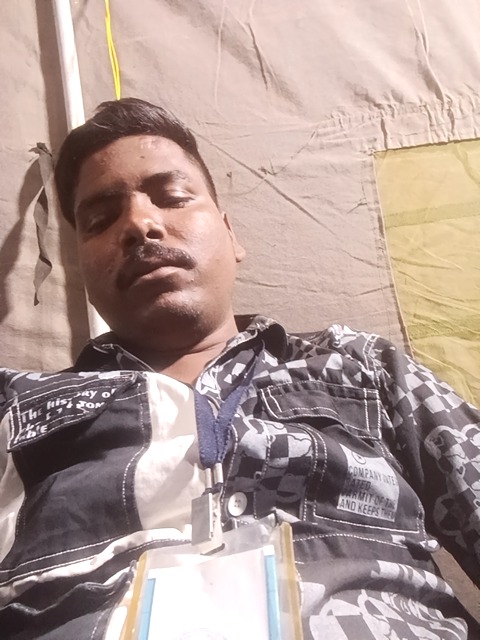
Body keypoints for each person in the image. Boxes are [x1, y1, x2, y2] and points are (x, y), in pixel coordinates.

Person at [0, 97, 479, 640]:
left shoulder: (360, 367)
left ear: (231, 235)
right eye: (99, 220)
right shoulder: (16, 407)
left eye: (172, 197)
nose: (139, 223)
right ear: (83, 269)